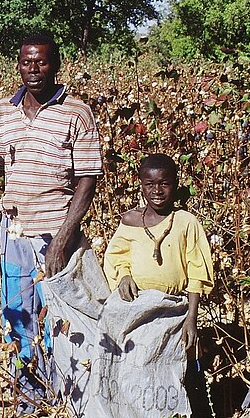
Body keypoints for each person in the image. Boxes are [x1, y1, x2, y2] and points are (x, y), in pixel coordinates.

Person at [0, 34, 103, 414]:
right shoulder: (3, 111)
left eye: (42, 62)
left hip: (54, 234)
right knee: (18, 315)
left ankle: (62, 395)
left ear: (57, 64)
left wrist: (63, 238)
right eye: (27, 62)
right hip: (12, 235)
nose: (34, 70)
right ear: (18, 65)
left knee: (57, 319)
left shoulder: (76, 112)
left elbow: (88, 180)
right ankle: (29, 399)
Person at [103, 153, 214, 358]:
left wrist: (191, 318)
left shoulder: (186, 222)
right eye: (150, 184)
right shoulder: (131, 220)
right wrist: (124, 275)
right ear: (141, 186)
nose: (157, 191)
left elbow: (196, 273)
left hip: (175, 310)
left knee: (175, 365)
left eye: (164, 183)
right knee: (136, 363)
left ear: (176, 184)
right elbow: (118, 256)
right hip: (137, 308)